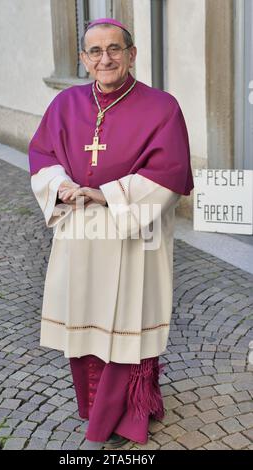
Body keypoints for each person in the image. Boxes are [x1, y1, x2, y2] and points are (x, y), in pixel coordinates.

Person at [28, 17, 194, 449]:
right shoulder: (65, 105)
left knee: (129, 321)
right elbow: (42, 154)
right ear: (83, 60)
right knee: (85, 320)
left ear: (132, 54)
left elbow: (170, 173)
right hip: (80, 235)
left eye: (115, 49)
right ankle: (93, 408)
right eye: (96, 52)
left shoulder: (162, 107)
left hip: (133, 236)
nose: (106, 59)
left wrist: (107, 195)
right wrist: (59, 184)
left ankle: (127, 416)